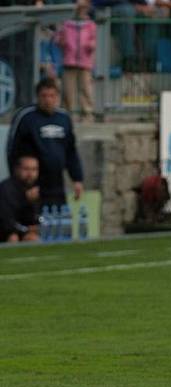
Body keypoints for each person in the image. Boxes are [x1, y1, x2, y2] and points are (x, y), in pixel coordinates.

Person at [6, 78, 83, 208]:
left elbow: (71, 151)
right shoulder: (26, 117)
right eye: (44, 96)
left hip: (57, 184)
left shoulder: (64, 118)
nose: (48, 100)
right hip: (32, 184)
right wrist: (21, 184)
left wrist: (77, 179)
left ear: (57, 97)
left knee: (58, 223)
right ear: (37, 97)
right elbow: (12, 151)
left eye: (52, 96)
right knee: (33, 225)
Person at [54, 0, 97, 121]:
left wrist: (90, 45)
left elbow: (93, 41)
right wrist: (62, 42)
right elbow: (58, 39)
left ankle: (87, 114)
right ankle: (66, 115)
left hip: (85, 62)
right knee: (68, 90)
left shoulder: (90, 25)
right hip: (69, 61)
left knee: (86, 90)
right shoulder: (66, 24)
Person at [0, 155, 40, 243]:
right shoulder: (6, 189)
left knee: (33, 237)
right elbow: (6, 220)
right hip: (6, 231)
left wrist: (34, 227)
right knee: (13, 237)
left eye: (34, 169)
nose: (30, 174)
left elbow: (37, 218)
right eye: (26, 169)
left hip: (23, 230)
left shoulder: (36, 189)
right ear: (16, 169)